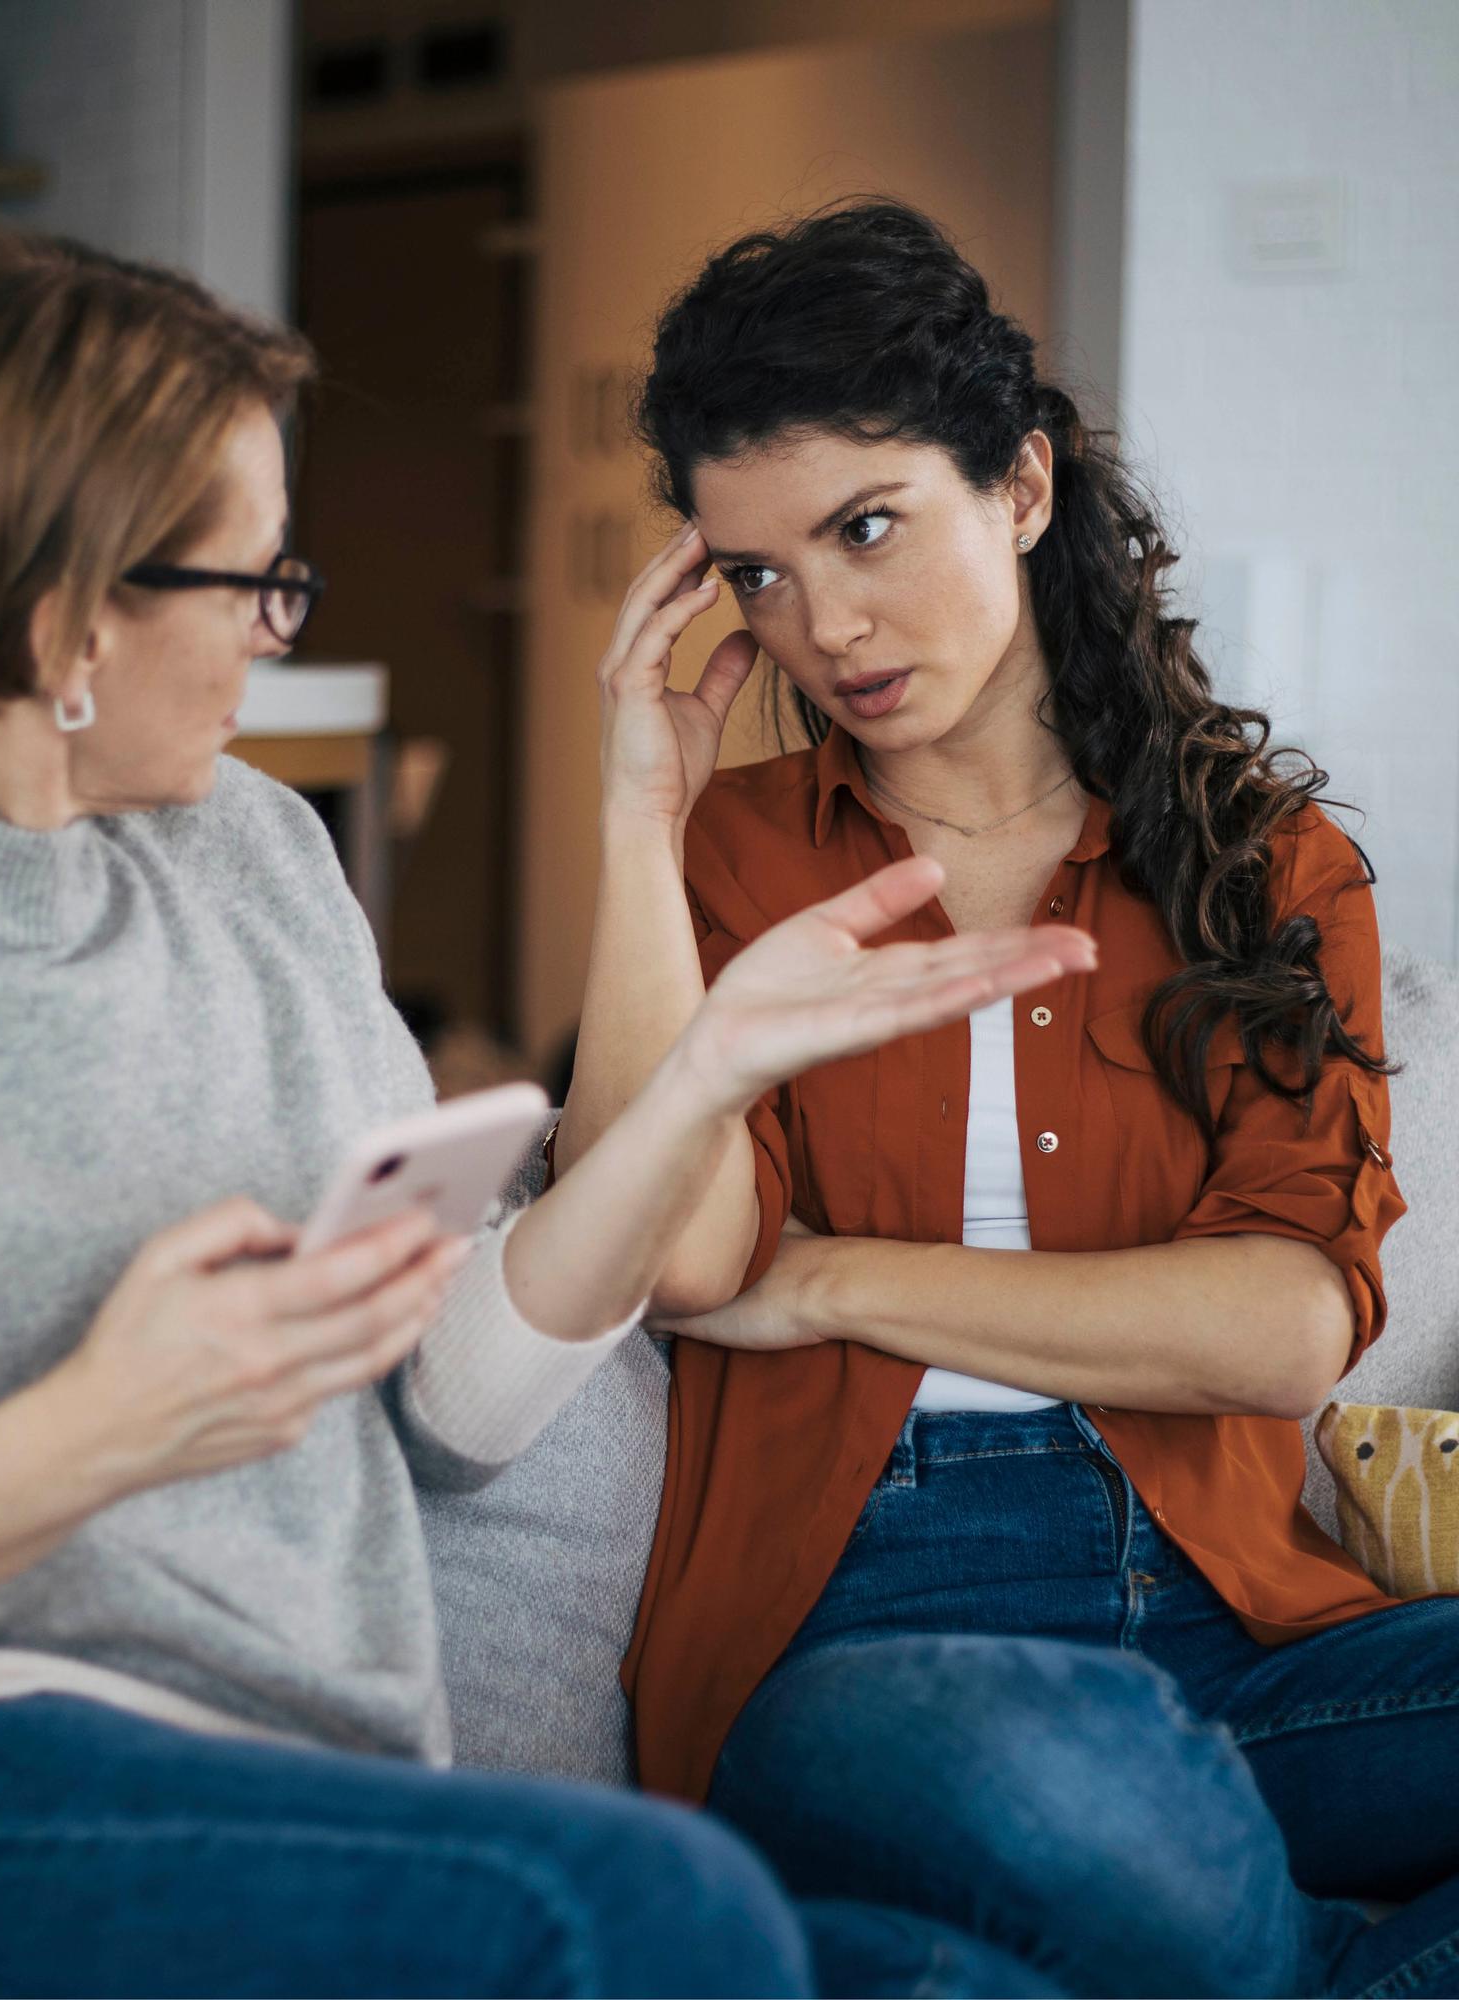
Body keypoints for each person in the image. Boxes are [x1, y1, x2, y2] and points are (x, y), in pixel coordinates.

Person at [0, 217, 1085, 1999]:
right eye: (251, 581)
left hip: (294, 1781)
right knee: (654, 1916)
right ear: (67, 616)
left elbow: (449, 1420)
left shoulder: (255, 858)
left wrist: (706, 1077)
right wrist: (98, 1425)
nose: (278, 628)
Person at [554, 197, 1459, 1998]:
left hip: (1230, 1635)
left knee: (1016, 1914)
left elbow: (1283, 1329)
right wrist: (639, 826)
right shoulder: (735, 853)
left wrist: (825, 1282)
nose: (823, 623)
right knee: (1034, 1783)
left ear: (1024, 490)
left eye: (867, 527)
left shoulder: (1270, 867)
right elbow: (674, 1256)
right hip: (863, 1656)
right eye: (756, 573)